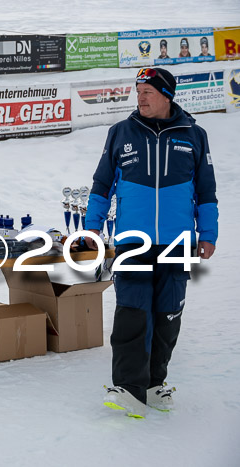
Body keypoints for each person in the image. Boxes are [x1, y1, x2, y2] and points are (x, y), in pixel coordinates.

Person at [84, 67, 218, 418]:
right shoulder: (120, 133)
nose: (140, 97)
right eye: (138, 91)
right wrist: (91, 226)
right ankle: (129, 388)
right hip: (134, 242)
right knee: (132, 312)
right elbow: (101, 185)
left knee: (168, 314)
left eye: (148, 92)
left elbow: (206, 191)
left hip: (177, 242)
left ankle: (156, 385)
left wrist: (209, 233)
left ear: (166, 95)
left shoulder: (194, 134)